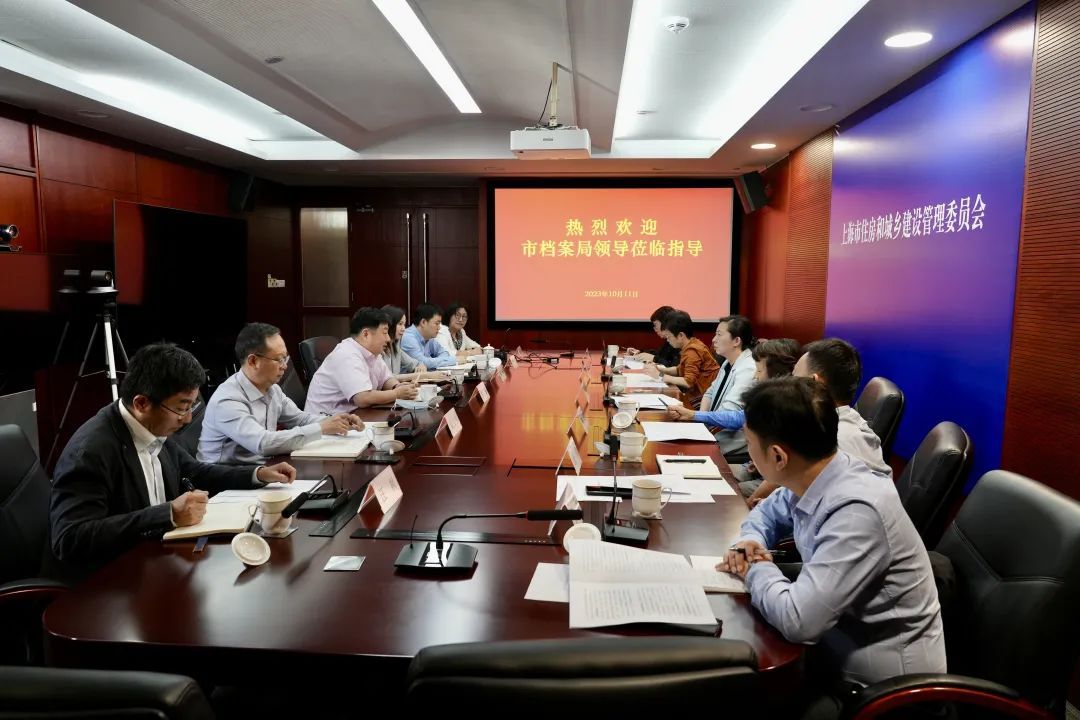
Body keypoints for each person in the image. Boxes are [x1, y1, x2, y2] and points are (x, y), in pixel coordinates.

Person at [718, 377, 944, 697]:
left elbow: (799, 622)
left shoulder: (856, 511)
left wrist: (754, 565)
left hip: (878, 691)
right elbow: (766, 513)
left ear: (779, 457)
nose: (748, 452)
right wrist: (750, 542)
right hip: (833, 640)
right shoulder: (817, 470)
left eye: (749, 442)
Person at [47, 343, 296, 583]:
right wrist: (166, 514)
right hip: (110, 583)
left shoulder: (151, 425)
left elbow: (195, 472)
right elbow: (70, 538)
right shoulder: (90, 452)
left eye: (191, 406)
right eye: (182, 408)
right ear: (141, 403)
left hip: (158, 561)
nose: (187, 419)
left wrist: (258, 474)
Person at [745, 338, 892, 506]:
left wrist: (754, 505)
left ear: (813, 383)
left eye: (794, 377)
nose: (789, 383)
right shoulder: (831, 423)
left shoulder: (833, 441)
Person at [198, 322, 364, 464]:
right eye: (278, 359)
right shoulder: (228, 400)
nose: (284, 366)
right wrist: (321, 428)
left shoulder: (272, 389)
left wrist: (337, 421)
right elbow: (263, 443)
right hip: (227, 481)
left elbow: (300, 419)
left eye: (286, 358)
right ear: (253, 361)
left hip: (263, 468)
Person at [666, 315, 757, 459]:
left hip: (729, 442)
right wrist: (700, 420)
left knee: (673, 450)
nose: (714, 339)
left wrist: (695, 416)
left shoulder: (748, 369)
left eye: (719, 335)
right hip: (712, 431)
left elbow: (729, 415)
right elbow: (710, 392)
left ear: (736, 341)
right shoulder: (728, 362)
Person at [304, 307, 419, 413]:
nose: (388, 338)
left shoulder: (373, 353)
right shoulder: (347, 354)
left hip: (353, 416)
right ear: (366, 334)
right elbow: (363, 398)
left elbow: (386, 379)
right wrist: (396, 394)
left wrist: (397, 386)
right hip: (325, 422)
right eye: (384, 333)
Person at [644, 310, 720, 406]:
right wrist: (660, 369)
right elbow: (679, 369)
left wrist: (661, 376)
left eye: (669, 337)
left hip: (702, 401)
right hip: (697, 396)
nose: (668, 340)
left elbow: (688, 382)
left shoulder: (692, 351)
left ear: (680, 335)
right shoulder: (691, 344)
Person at [381, 305, 451, 382]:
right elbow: (388, 377)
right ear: (389, 325)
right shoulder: (380, 348)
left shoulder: (395, 346)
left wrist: (420, 366)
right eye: (400, 324)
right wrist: (425, 375)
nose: (403, 329)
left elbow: (417, 363)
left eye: (404, 324)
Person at [400, 303, 456, 369]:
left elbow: (444, 353)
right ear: (423, 322)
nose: (439, 327)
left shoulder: (428, 337)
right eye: (437, 324)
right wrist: (453, 360)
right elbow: (422, 363)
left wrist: (432, 362)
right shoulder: (408, 338)